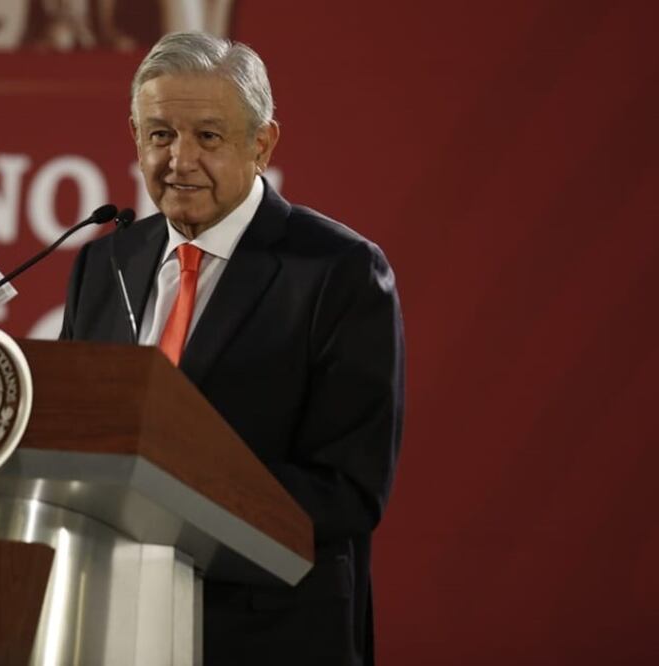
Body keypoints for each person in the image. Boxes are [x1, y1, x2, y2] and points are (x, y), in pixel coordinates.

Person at [60, 31, 404, 665]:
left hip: (264, 635)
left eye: (208, 137)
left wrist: (171, 501)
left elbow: (348, 489)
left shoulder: (338, 271)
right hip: (108, 621)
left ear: (262, 144)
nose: (180, 160)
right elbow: (75, 438)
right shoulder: (104, 263)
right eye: (160, 134)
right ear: (135, 137)